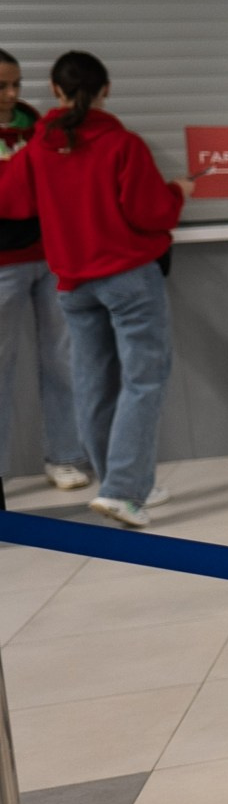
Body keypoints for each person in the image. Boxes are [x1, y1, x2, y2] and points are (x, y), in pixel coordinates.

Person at [0, 52, 189, 528]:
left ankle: (116, 485)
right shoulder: (122, 145)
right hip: (128, 278)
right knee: (144, 378)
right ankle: (123, 489)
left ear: (55, 91)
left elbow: (12, 200)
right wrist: (178, 192)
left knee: (92, 385)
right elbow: (152, 213)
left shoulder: (39, 147)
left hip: (72, 282)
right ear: (105, 89)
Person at [0, 50, 92, 493]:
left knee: (62, 359)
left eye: (16, 84)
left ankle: (66, 455)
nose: (12, 94)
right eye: (2, 87)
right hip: (2, 265)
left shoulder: (36, 124)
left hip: (49, 257)